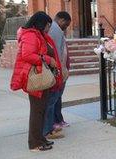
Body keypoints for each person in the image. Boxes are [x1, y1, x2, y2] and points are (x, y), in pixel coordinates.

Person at [10, 11, 63, 151]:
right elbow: (27, 55)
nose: (48, 29)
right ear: (40, 23)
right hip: (35, 78)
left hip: (41, 77)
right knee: (37, 111)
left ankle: (40, 138)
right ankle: (34, 143)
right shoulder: (30, 35)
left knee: (42, 109)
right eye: (47, 25)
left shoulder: (39, 35)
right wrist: (48, 59)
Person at [43, 11, 71, 139]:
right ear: (61, 20)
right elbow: (57, 53)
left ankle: (52, 124)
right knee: (53, 99)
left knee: (54, 98)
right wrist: (60, 71)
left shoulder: (54, 29)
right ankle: (49, 127)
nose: (67, 26)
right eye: (67, 24)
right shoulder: (56, 30)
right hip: (56, 70)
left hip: (56, 69)